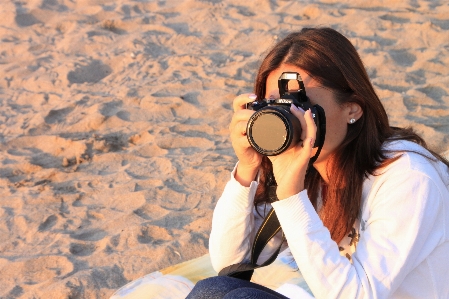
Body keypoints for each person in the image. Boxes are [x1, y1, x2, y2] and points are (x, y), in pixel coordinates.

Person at [186, 27, 449, 299]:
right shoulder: (302, 165)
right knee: (212, 291)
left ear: (353, 108)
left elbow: (355, 295)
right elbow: (231, 263)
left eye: (302, 103)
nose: (291, 119)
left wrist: (291, 196)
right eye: (278, 106)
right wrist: (246, 170)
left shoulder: (408, 177)